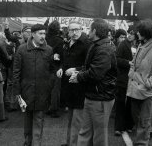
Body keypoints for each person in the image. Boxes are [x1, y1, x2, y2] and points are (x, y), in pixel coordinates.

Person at [69, 18, 117, 146]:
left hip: (101, 98)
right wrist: (78, 72)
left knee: (99, 137)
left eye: (89, 29)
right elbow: (90, 67)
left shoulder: (104, 48)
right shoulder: (97, 45)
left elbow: (96, 73)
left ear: (94, 31)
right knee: (85, 132)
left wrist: (78, 77)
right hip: (93, 96)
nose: (87, 31)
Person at [126, 20, 152, 145]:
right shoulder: (141, 44)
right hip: (134, 89)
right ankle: (140, 142)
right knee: (137, 119)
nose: (137, 33)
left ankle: (141, 143)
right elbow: (134, 63)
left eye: (139, 31)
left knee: (144, 121)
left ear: (146, 33)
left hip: (145, 92)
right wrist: (131, 73)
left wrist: (147, 84)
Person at [13, 24, 53, 146]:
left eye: (44, 34)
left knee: (39, 120)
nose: (43, 36)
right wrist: (17, 93)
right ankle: (27, 142)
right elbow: (16, 72)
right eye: (40, 33)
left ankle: (36, 143)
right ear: (33, 34)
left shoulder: (49, 50)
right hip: (26, 92)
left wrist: (48, 86)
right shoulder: (22, 49)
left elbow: (51, 71)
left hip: (42, 92)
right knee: (28, 119)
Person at [56, 21, 91, 146]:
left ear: (81, 29)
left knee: (77, 120)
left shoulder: (87, 44)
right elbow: (64, 60)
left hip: (80, 86)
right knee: (70, 118)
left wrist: (76, 69)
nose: (75, 32)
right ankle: (69, 142)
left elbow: (91, 66)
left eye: (77, 29)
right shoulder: (67, 43)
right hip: (68, 86)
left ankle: (74, 143)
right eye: (72, 30)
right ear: (68, 31)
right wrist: (61, 67)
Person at [114, 25, 137, 136]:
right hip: (123, 77)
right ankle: (118, 127)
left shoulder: (140, 45)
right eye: (129, 32)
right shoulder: (123, 44)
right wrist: (128, 62)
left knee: (131, 103)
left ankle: (129, 124)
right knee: (120, 102)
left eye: (132, 33)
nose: (130, 35)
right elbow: (117, 59)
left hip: (135, 79)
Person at [46, 20, 64, 118]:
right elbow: (61, 55)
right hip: (56, 67)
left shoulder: (44, 38)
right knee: (55, 90)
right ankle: (54, 109)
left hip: (45, 67)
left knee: (47, 89)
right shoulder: (59, 40)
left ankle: (48, 107)